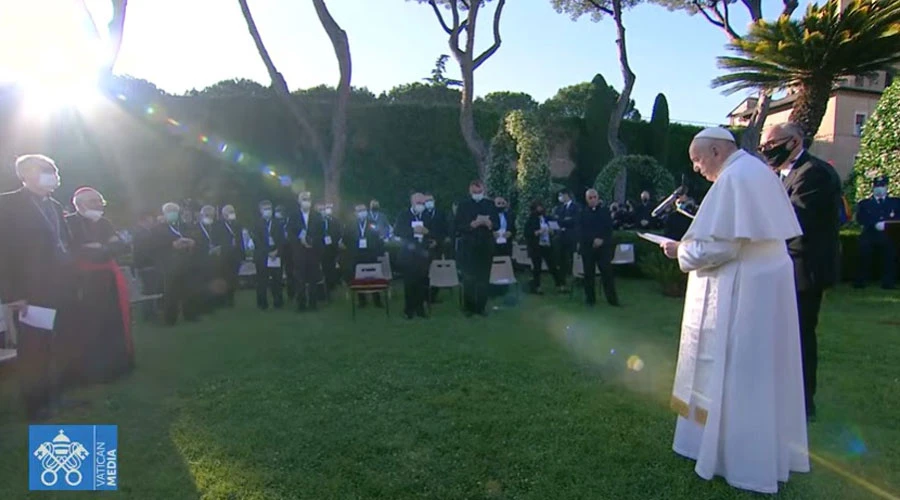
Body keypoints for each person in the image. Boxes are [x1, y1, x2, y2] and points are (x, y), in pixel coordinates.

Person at [659, 127, 808, 494]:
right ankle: (764, 454)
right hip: (766, 284)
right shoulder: (756, 172)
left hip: (745, 290)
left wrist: (681, 252)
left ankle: (736, 459)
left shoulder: (735, 177)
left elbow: (721, 247)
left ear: (714, 151)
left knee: (739, 370)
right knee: (764, 370)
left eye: (697, 160)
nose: (696, 169)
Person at [761, 122, 842, 420]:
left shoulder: (813, 173)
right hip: (787, 268)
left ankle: (803, 403)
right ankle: (786, 393)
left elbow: (794, 220)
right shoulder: (785, 174)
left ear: (794, 141)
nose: (767, 151)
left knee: (800, 335)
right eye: (763, 148)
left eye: (771, 145)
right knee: (786, 334)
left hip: (805, 270)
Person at [0, 154, 78, 419]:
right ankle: (35, 404)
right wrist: (13, 294)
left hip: (61, 286)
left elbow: (64, 242)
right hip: (32, 290)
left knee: (60, 343)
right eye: (45, 171)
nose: (52, 176)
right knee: (34, 348)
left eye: (53, 171)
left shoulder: (55, 205)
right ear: (26, 175)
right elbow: (4, 253)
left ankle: (58, 395)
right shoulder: (7, 204)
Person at [66, 187, 133, 385]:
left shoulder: (105, 222)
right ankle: (93, 369)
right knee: (89, 324)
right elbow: (74, 250)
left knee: (113, 320)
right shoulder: (69, 222)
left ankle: (118, 365)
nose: (98, 205)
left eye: (99, 201)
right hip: (83, 281)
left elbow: (119, 246)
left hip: (108, 278)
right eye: (93, 201)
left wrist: (101, 249)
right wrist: (103, 249)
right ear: (79, 204)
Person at [455, 181, 499, 317]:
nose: (477, 195)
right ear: (470, 191)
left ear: (483, 191)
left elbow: (497, 224)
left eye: (479, 192)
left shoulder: (490, 205)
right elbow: (457, 226)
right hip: (469, 246)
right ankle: (469, 307)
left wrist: (489, 224)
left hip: (485, 246)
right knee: (469, 278)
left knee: (483, 278)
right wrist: (471, 225)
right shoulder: (463, 206)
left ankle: (481, 307)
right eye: (475, 192)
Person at [153, 202, 199, 325]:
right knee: (171, 292)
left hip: (185, 262)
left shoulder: (182, 226)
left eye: (174, 211)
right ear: (164, 213)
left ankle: (190, 314)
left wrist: (191, 242)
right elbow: (157, 245)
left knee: (189, 290)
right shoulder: (159, 228)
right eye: (170, 211)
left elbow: (193, 237)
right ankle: (170, 318)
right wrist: (172, 245)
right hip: (169, 264)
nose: (173, 213)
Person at [855, 176, 899, 289]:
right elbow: (860, 218)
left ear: (887, 187)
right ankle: (860, 281)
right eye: (877, 186)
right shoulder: (864, 204)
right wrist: (874, 223)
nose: (880, 189)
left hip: (889, 235)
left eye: (882, 186)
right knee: (864, 249)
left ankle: (888, 282)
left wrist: (888, 224)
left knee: (891, 251)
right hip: (870, 234)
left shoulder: (895, 203)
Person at [577, 189, 619, 307]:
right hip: (588, 248)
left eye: (594, 197)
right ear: (586, 199)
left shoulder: (605, 212)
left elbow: (609, 229)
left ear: (598, 197)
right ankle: (590, 300)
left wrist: (601, 239)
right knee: (589, 274)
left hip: (603, 248)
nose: (593, 200)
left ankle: (612, 300)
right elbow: (580, 231)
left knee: (607, 273)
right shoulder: (582, 213)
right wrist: (592, 240)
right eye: (590, 198)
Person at [395, 193, 431, 319]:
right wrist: (413, 231)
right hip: (408, 254)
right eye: (418, 203)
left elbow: (434, 231)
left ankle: (420, 309)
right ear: (412, 203)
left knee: (422, 282)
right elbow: (397, 231)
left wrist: (428, 232)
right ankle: (409, 310)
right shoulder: (404, 215)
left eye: (423, 203)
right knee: (409, 283)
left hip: (423, 254)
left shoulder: (426, 215)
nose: (421, 205)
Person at [343, 203, 385, 308]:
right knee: (359, 277)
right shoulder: (350, 225)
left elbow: (379, 238)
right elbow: (345, 239)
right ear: (355, 213)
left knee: (374, 276)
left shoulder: (372, 223)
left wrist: (377, 251)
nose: (362, 213)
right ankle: (362, 300)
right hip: (357, 255)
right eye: (359, 211)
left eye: (363, 210)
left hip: (371, 254)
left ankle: (377, 300)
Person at [288, 192, 324, 311]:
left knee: (313, 279)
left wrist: (312, 242)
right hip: (299, 252)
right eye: (304, 199)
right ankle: (301, 304)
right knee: (300, 279)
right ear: (299, 201)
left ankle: (313, 303)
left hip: (313, 252)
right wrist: (300, 240)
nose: (306, 202)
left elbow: (321, 233)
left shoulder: (317, 216)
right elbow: (290, 233)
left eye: (308, 199)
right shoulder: (293, 216)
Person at [250, 200, 285, 310]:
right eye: (265, 209)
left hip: (276, 254)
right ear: (260, 211)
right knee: (262, 280)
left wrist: (277, 251)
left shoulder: (278, 223)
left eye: (269, 208)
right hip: (262, 255)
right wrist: (267, 252)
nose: (268, 211)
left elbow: (282, 239)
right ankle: (262, 303)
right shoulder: (256, 224)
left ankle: (278, 302)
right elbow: (256, 240)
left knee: (277, 279)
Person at [524, 201, 560, 294]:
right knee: (537, 267)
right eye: (538, 207)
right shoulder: (531, 220)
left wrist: (552, 232)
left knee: (553, 266)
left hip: (547, 245)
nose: (540, 209)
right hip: (536, 247)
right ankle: (537, 287)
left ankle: (560, 285)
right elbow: (527, 233)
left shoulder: (547, 218)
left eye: (541, 207)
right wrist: (537, 232)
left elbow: (555, 229)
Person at [195, 204, 226, 313]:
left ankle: (214, 303)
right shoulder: (197, 227)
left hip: (215, 260)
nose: (209, 217)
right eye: (207, 215)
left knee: (214, 282)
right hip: (202, 260)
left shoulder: (217, 227)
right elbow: (196, 243)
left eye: (211, 215)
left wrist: (218, 247)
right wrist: (206, 250)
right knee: (203, 283)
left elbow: (222, 239)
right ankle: (203, 305)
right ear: (202, 215)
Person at [423, 193, 448, 303]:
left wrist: (437, 241)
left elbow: (444, 230)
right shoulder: (421, 214)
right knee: (424, 272)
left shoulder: (441, 214)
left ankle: (433, 296)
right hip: (424, 247)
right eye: (427, 200)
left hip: (437, 246)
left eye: (431, 200)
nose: (429, 202)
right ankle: (424, 295)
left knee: (436, 271)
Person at [553, 188, 579, 292]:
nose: (560, 198)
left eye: (561, 195)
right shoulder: (560, 208)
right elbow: (557, 219)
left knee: (574, 258)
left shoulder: (576, 207)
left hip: (572, 237)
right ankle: (562, 282)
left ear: (566, 195)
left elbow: (574, 221)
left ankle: (577, 279)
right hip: (561, 237)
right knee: (561, 259)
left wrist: (563, 222)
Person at [218, 205, 244, 307]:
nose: (231, 213)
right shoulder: (219, 225)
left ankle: (231, 298)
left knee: (233, 278)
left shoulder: (237, 225)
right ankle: (223, 299)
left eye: (232, 211)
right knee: (225, 277)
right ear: (224, 214)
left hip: (235, 255)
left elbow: (240, 239)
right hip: (224, 255)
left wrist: (242, 254)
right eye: (229, 212)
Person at [320, 202, 342, 296]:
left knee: (331, 268)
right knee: (323, 269)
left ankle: (331, 286)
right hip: (321, 249)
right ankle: (323, 289)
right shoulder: (318, 221)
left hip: (331, 248)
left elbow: (338, 233)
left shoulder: (334, 221)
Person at [275, 205, 295, 300]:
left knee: (290, 273)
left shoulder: (289, 222)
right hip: (278, 251)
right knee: (277, 274)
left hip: (289, 251)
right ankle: (278, 296)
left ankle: (291, 293)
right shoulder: (275, 224)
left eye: (279, 211)